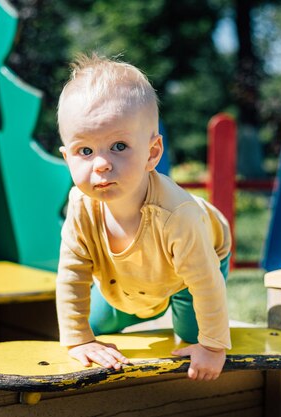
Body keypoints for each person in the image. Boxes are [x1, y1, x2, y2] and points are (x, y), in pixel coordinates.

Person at [55, 53, 232, 381]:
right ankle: (143, 305)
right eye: (85, 151)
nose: (101, 164)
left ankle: (181, 312)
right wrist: (79, 340)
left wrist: (213, 347)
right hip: (126, 276)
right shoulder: (81, 205)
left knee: (192, 337)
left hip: (196, 265)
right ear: (67, 157)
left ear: (152, 153)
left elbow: (206, 283)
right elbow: (71, 274)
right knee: (93, 328)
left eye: (118, 146)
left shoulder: (177, 215)